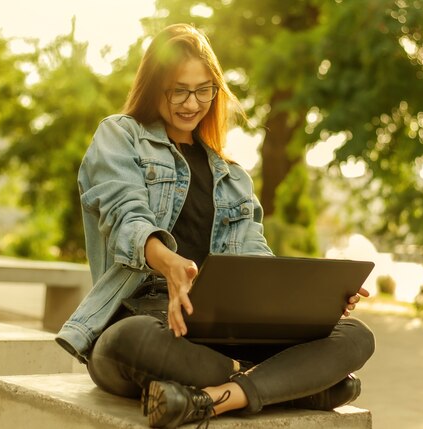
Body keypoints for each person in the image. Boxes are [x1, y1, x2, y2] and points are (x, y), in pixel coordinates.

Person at [55, 23, 375, 428]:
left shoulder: (233, 176)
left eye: (204, 89)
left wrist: (320, 302)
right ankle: (298, 383)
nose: (192, 103)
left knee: (357, 335)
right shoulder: (121, 136)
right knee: (128, 342)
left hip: (219, 329)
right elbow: (125, 217)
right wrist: (169, 263)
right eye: (179, 90)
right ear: (155, 87)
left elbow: (255, 260)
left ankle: (213, 398)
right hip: (141, 316)